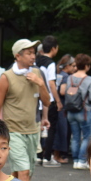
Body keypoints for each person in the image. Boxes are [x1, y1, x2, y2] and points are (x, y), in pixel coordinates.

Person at [0, 39, 50, 181]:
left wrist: (40, 83)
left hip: (32, 130)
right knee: (24, 171)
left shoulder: (38, 73)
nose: (33, 56)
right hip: (13, 131)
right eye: (28, 53)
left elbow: (48, 102)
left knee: (23, 173)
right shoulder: (6, 77)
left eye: (34, 52)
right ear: (18, 56)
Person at [62, 54, 91, 169]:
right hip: (84, 111)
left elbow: (67, 91)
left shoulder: (70, 78)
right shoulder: (89, 79)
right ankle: (82, 160)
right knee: (87, 136)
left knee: (75, 136)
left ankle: (76, 160)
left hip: (70, 112)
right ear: (87, 66)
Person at [35, 35, 62, 167]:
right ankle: (47, 157)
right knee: (50, 128)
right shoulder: (51, 63)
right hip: (48, 100)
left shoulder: (37, 60)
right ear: (53, 48)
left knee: (39, 127)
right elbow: (51, 83)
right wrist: (58, 101)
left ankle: (38, 155)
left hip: (37, 99)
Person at [53, 54, 76, 163]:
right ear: (67, 66)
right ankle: (57, 155)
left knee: (56, 129)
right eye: (73, 66)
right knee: (62, 130)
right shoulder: (66, 77)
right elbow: (62, 91)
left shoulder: (59, 74)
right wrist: (73, 91)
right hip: (62, 106)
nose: (74, 68)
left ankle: (52, 153)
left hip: (55, 105)